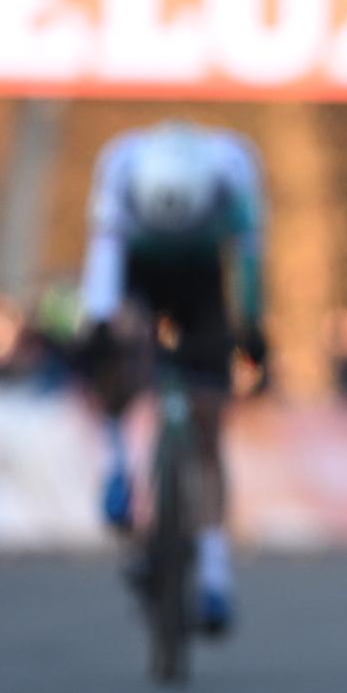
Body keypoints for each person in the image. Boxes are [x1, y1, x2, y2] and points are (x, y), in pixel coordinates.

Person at [78, 120, 268, 635]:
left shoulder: (232, 169)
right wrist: (100, 327)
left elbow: (249, 259)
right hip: (138, 269)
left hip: (203, 278)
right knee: (116, 354)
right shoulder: (121, 166)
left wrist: (251, 331)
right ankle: (117, 462)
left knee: (208, 422)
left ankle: (213, 571)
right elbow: (104, 256)